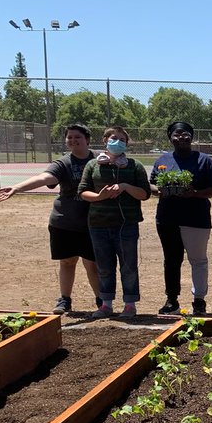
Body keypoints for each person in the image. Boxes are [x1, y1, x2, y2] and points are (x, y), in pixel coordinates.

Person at [0, 122, 101, 314]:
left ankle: (102, 302)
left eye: (77, 137)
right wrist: (17, 188)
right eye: (69, 137)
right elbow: (45, 178)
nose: (73, 140)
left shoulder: (99, 159)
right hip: (64, 221)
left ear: (87, 140)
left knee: (92, 264)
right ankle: (65, 300)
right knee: (67, 262)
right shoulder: (63, 163)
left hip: (92, 222)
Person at [77, 125, 151, 319]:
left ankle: (130, 304)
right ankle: (106, 304)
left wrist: (126, 186)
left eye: (121, 140)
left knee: (128, 266)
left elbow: (145, 194)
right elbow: (83, 192)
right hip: (98, 224)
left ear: (126, 144)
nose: (117, 142)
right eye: (113, 138)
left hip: (126, 225)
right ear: (105, 140)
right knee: (104, 266)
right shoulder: (92, 165)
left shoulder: (135, 166)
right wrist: (100, 196)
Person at [152, 121, 212, 316]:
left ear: (192, 137)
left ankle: (199, 300)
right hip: (167, 218)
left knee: (198, 260)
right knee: (171, 260)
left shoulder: (204, 160)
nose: (181, 137)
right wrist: (160, 190)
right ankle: (172, 300)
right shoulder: (162, 160)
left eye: (185, 134)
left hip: (195, 218)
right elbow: (152, 185)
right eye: (176, 134)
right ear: (170, 138)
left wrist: (194, 192)